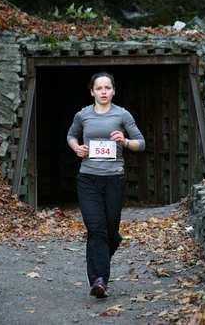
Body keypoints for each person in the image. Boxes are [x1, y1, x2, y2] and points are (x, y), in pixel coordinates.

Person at [66, 72, 145, 298]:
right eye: (98, 88)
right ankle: (99, 280)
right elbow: (71, 136)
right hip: (88, 178)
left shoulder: (122, 115)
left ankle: (108, 249)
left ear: (113, 91)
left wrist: (125, 140)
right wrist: (77, 148)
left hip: (114, 179)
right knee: (96, 229)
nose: (103, 91)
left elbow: (141, 143)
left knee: (109, 230)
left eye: (107, 88)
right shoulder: (83, 115)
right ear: (92, 91)